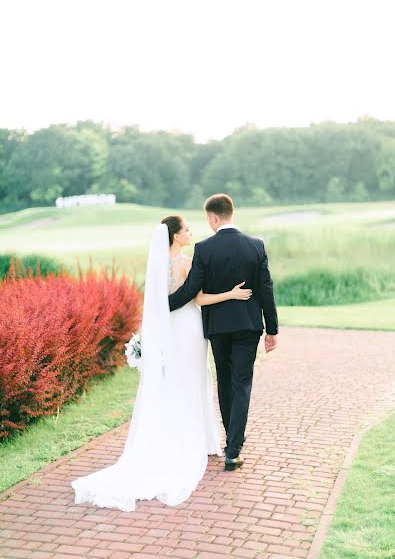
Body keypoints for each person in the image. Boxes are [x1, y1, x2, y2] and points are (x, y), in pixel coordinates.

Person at [71, 215, 251, 511]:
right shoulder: (186, 263)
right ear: (177, 237)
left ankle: (185, 436)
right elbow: (198, 299)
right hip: (190, 329)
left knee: (175, 381)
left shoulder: (156, 265)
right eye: (188, 229)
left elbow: (159, 304)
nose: (192, 232)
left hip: (169, 331)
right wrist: (231, 294)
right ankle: (202, 441)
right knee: (195, 380)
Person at [169, 193, 278, 471]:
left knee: (225, 380)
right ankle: (233, 448)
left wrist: (162, 306)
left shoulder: (205, 249)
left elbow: (190, 290)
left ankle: (233, 438)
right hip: (248, 326)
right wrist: (272, 329)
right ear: (232, 212)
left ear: (213, 218)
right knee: (242, 383)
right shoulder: (256, 246)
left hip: (218, 328)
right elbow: (266, 290)